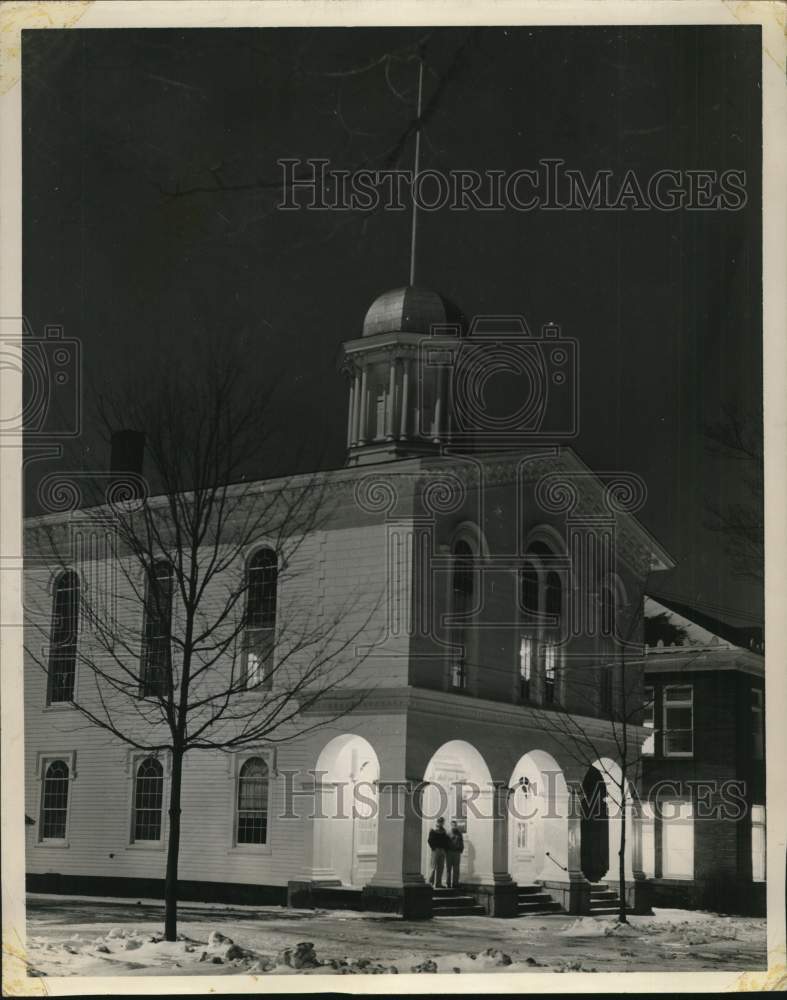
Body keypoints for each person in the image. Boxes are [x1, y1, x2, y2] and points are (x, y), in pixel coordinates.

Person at [427, 817, 451, 888]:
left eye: (442, 822)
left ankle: (438, 883)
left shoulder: (444, 831)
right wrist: (433, 848)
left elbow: (446, 841)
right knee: (433, 867)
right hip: (436, 850)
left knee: (441, 867)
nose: (441, 823)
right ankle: (431, 882)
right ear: (438, 822)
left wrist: (445, 849)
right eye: (440, 822)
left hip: (442, 850)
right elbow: (430, 840)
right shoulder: (433, 830)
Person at [446, 820, 464, 888]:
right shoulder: (448, 833)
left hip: (457, 852)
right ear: (451, 825)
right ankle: (448, 883)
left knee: (456, 869)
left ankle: (455, 883)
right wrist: (446, 851)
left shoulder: (459, 834)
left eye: (455, 825)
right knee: (449, 868)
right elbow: (446, 843)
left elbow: (461, 842)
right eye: (453, 825)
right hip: (449, 852)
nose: (454, 826)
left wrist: (461, 849)